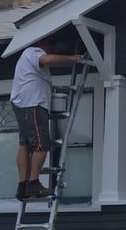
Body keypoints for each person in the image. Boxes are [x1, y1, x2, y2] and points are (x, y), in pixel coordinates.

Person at [10, 35, 84, 200]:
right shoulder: (33, 51)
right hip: (32, 104)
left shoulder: (27, 61)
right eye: (51, 44)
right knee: (42, 145)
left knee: (25, 144)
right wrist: (73, 59)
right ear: (42, 43)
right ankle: (33, 184)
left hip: (24, 104)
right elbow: (46, 59)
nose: (52, 48)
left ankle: (23, 186)